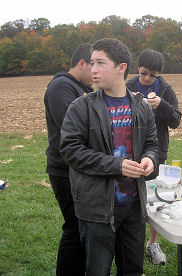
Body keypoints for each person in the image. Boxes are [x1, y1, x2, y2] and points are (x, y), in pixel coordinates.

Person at [59, 38, 158, 275]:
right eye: (92, 63)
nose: (93, 69)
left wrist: (150, 159)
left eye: (100, 63)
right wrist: (117, 165)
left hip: (134, 206)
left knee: (132, 270)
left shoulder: (141, 107)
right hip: (97, 210)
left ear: (121, 67)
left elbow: (152, 144)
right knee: (97, 270)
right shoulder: (81, 107)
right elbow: (70, 150)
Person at [126, 48, 182, 265]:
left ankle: (152, 244)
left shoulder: (165, 89)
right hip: (129, 151)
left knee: (153, 199)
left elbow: (176, 120)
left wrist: (162, 105)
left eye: (153, 75)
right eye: (143, 73)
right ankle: (132, 242)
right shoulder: (128, 86)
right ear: (137, 69)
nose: (147, 78)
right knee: (131, 199)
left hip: (156, 152)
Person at [44, 43, 93, 275]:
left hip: (77, 169)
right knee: (74, 229)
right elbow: (71, 131)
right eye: (94, 65)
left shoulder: (78, 87)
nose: (96, 74)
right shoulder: (61, 88)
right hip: (64, 171)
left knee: (81, 228)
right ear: (82, 63)